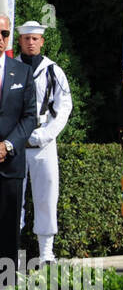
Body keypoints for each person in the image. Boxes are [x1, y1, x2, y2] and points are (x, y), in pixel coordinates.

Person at [17, 22, 72, 267]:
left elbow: (64, 108)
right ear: (20, 41)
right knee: (12, 198)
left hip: (44, 141)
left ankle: (46, 253)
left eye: (35, 38)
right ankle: (11, 249)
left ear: (42, 41)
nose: (31, 42)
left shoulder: (53, 71)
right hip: (15, 142)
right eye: (26, 38)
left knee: (46, 197)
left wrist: (47, 134)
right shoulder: (10, 68)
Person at [0, 16, 37, 275]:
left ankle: (5, 288)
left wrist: (8, 145)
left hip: (10, 163)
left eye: (4, 33)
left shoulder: (22, 72)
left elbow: (30, 116)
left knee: (8, 228)